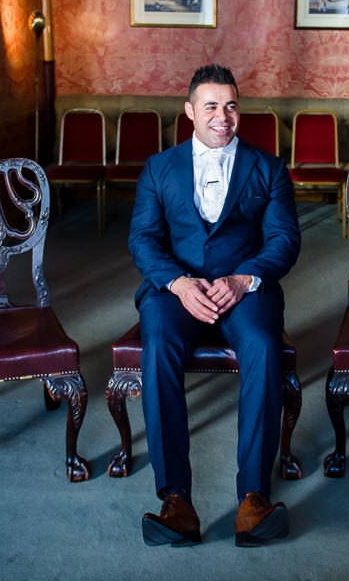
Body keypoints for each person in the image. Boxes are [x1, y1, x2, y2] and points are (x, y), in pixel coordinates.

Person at [128, 64, 301, 548]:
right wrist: (179, 284)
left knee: (263, 345)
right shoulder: (158, 168)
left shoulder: (268, 168)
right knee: (158, 344)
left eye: (230, 106)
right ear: (190, 112)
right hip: (176, 291)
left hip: (243, 289)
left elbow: (285, 239)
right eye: (211, 106)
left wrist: (245, 279)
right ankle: (175, 500)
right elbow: (143, 239)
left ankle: (253, 498)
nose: (222, 117)